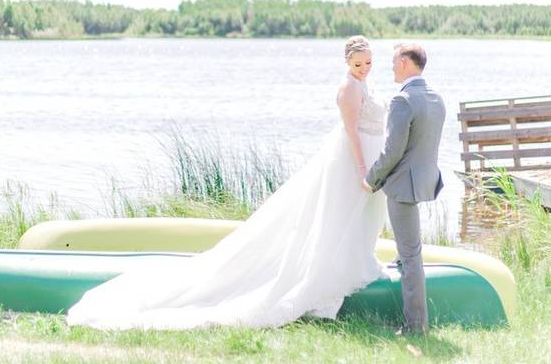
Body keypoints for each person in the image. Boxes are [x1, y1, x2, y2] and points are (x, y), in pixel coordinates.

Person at [66, 35, 389, 329]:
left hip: (368, 159)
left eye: (368, 63)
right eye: (358, 64)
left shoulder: (366, 85)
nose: (363, 69)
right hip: (351, 161)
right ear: (347, 62)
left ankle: (357, 260)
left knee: (357, 216)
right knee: (339, 214)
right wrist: (363, 168)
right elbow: (350, 131)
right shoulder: (348, 88)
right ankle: (325, 274)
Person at [361, 43, 446, 335]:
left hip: (402, 186)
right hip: (424, 182)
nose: (392, 66)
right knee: (407, 251)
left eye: (395, 61)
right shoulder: (436, 98)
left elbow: (392, 150)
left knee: (411, 256)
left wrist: (371, 179)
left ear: (408, 63)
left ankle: (415, 326)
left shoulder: (403, 100)